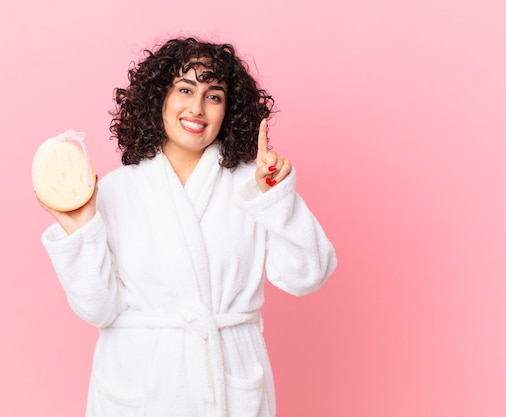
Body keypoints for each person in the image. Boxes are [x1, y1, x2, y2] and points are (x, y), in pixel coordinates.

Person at [39, 37, 337, 417]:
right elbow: (99, 310)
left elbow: (308, 275)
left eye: (214, 95)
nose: (197, 107)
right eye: (185, 89)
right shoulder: (113, 191)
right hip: (140, 385)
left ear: (229, 110)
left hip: (228, 381)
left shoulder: (254, 184)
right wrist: (83, 229)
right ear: (159, 98)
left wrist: (275, 200)